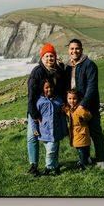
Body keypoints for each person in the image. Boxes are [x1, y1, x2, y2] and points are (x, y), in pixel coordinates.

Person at [26, 43, 67, 176]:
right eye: (46, 56)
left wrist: (62, 105)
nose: (49, 58)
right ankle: (34, 165)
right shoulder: (37, 72)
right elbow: (31, 95)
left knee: (55, 134)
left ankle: (54, 164)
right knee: (32, 136)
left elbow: (61, 90)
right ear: (42, 58)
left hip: (54, 108)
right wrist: (34, 113)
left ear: (55, 57)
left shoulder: (59, 72)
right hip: (37, 109)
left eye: (52, 56)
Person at [65, 38, 104, 168]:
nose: (74, 51)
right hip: (75, 107)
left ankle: (100, 161)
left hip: (89, 106)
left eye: (77, 48)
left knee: (95, 132)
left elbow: (92, 87)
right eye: (72, 48)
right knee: (82, 133)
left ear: (81, 50)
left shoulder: (89, 65)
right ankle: (86, 158)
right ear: (68, 50)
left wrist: (83, 105)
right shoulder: (67, 67)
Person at [31, 79, 67, 176]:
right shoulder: (39, 102)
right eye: (46, 87)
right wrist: (35, 129)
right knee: (51, 151)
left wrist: (64, 130)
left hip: (56, 131)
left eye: (51, 87)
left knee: (50, 152)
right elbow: (34, 117)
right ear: (43, 89)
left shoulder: (58, 101)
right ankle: (56, 168)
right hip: (44, 131)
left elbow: (63, 117)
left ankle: (47, 169)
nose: (49, 89)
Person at [63, 90, 92, 172]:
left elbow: (88, 116)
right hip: (76, 133)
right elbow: (71, 114)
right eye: (69, 98)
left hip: (81, 133)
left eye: (74, 99)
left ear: (78, 99)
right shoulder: (72, 109)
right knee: (83, 148)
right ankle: (86, 159)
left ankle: (82, 164)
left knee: (81, 149)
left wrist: (83, 113)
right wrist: (65, 110)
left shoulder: (80, 109)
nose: (72, 101)